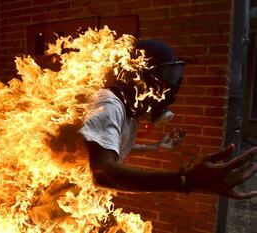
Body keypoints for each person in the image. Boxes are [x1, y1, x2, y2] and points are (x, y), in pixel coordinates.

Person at [80, 39, 257, 199]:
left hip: (86, 200)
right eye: (167, 75)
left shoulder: (130, 112)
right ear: (140, 75)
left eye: (175, 76)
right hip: (65, 201)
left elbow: (112, 147)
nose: (171, 87)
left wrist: (156, 147)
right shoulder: (109, 105)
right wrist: (186, 180)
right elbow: (102, 172)